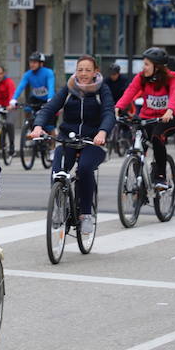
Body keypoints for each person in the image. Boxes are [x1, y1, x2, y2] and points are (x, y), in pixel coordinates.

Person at [30, 56, 114, 241]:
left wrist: (102, 132)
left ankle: (85, 215)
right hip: (68, 140)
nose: (83, 73)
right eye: (80, 69)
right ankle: (59, 207)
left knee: (84, 169)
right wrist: (38, 126)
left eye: (87, 70)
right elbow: (49, 108)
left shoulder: (102, 90)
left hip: (93, 142)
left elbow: (109, 112)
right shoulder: (68, 89)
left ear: (95, 72)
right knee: (57, 170)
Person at [114, 47, 175, 190]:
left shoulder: (172, 77)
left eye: (146, 64)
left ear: (157, 67)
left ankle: (161, 177)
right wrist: (118, 107)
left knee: (157, 137)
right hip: (147, 117)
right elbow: (131, 91)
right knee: (137, 145)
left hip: (169, 118)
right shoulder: (141, 78)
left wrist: (169, 110)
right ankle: (140, 183)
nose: (143, 67)